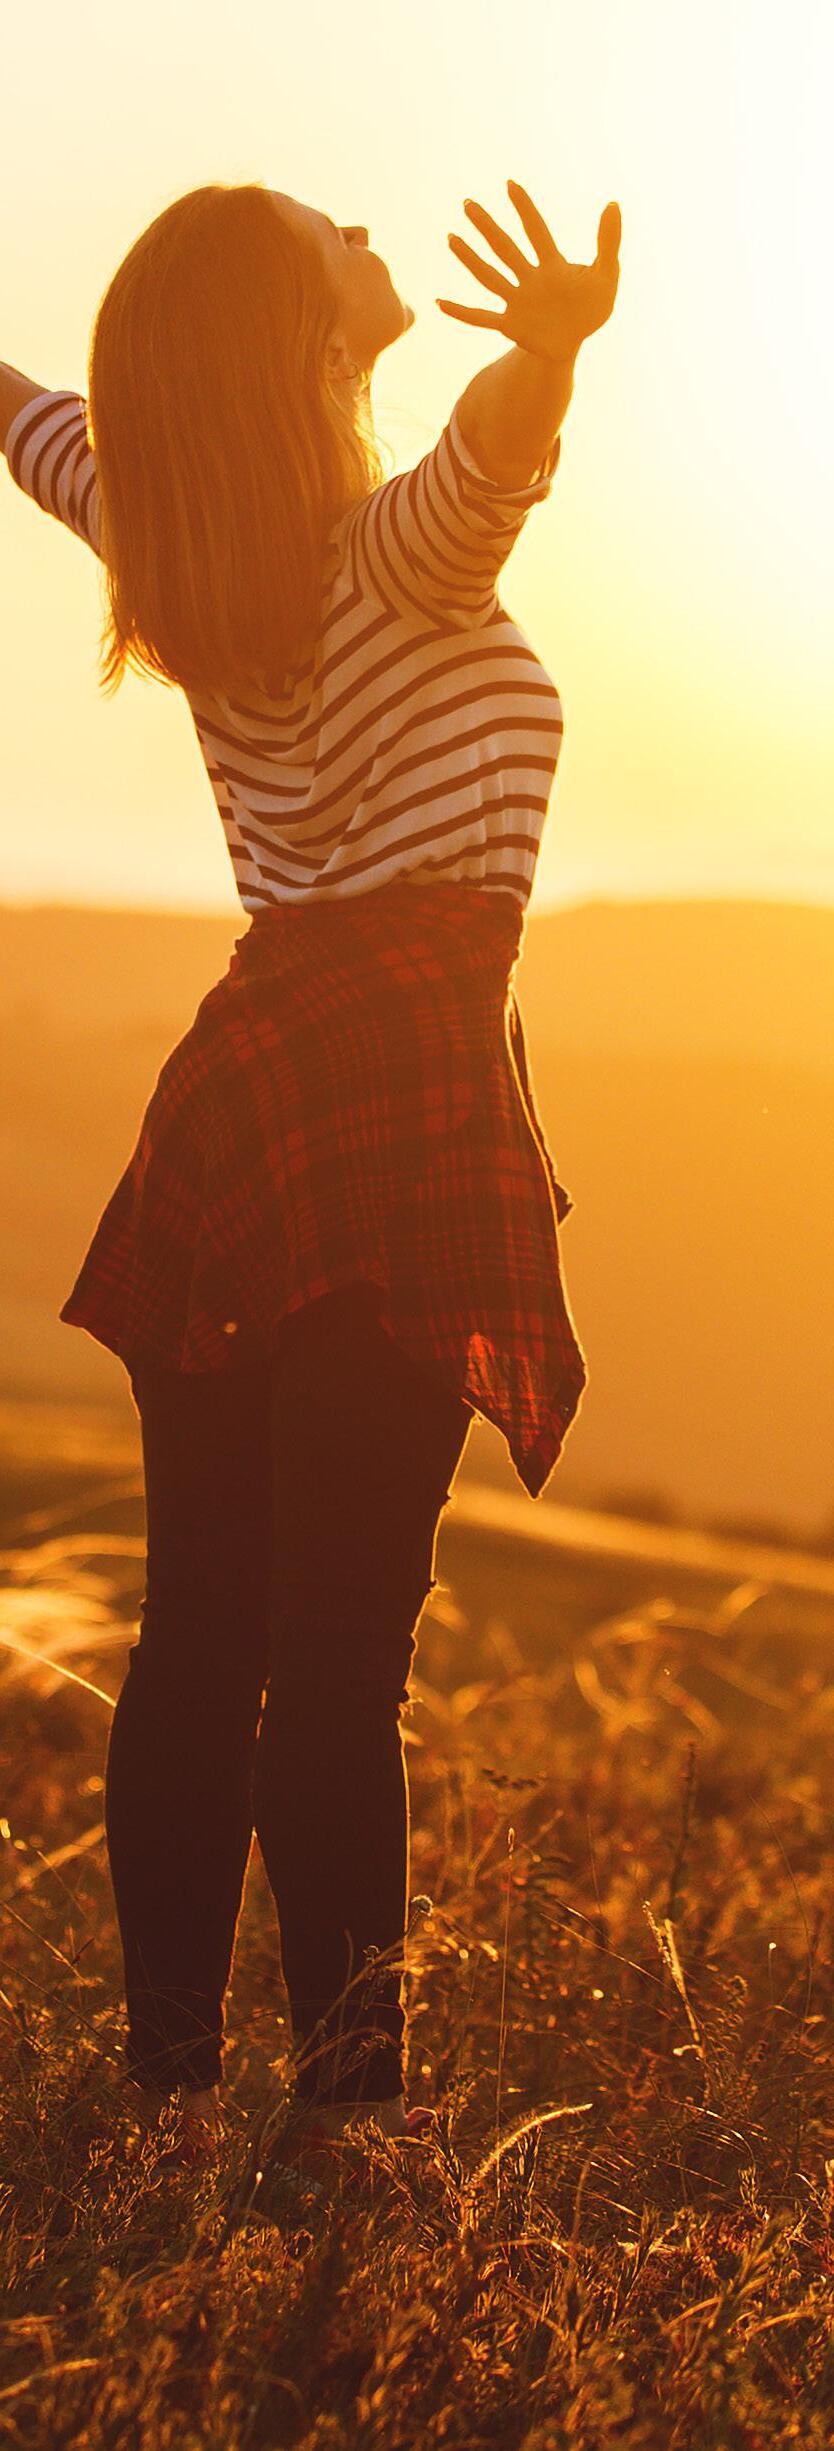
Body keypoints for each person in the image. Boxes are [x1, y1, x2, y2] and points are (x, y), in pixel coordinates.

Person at [1, 176, 621, 2161]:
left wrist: (535, 365)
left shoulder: (167, 535)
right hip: (400, 1090)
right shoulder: (394, 560)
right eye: (326, 228)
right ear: (299, 334)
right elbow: (486, 468)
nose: (364, 225)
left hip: (246, 1091)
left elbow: (37, 424)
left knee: (201, 1631)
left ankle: (167, 2091)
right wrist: (546, 356)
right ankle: (349, 2121)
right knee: (342, 1661)